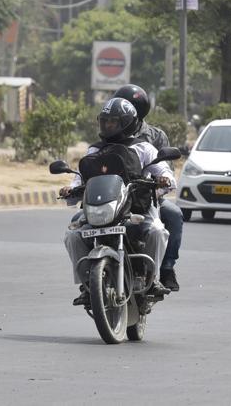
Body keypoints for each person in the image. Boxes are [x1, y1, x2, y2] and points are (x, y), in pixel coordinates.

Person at [60, 97, 176, 306]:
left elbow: (166, 175)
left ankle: (153, 278)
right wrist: (71, 189)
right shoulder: (95, 150)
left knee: (157, 231)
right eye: (104, 121)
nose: (108, 126)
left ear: (127, 122)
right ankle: (87, 285)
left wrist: (163, 180)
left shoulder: (144, 148)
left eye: (113, 122)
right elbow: (80, 179)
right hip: (102, 208)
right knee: (72, 235)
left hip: (136, 206)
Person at [114, 84, 184, 292]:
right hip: (114, 198)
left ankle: (167, 268)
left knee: (173, 215)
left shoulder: (154, 137)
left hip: (147, 196)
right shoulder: (109, 134)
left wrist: (153, 190)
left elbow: (166, 173)